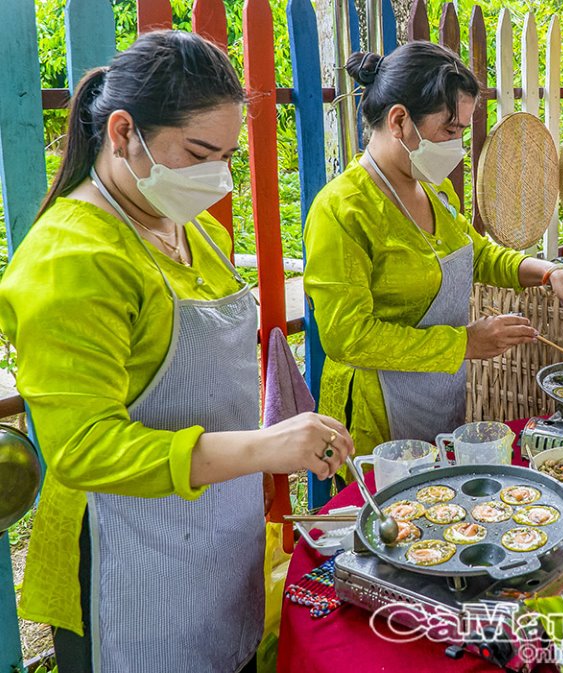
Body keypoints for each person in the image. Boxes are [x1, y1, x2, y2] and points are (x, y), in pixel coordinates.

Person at [0, 31, 354, 673]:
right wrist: (263, 447)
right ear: (123, 132)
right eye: (198, 152)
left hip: (216, 540)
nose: (216, 177)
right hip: (123, 557)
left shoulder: (190, 230)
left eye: (226, 157)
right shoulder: (73, 258)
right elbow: (84, 450)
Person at [303, 42, 563, 456]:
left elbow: (478, 255)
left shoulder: (434, 191)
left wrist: (551, 273)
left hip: (438, 398)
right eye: (450, 130)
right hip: (374, 416)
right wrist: (464, 344)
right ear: (400, 121)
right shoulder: (341, 209)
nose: (457, 146)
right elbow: (347, 337)